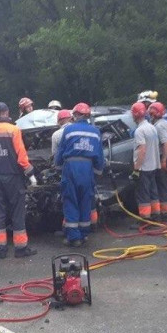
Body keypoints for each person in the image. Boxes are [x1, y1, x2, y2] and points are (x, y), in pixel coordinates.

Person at [0, 102, 37, 258]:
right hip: (13, 177)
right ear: (6, 112)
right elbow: (21, 155)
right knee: (17, 211)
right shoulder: (13, 130)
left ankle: (1, 249)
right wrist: (30, 172)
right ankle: (20, 248)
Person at [55, 103, 104, 247]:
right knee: (85, 201)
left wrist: (57, 166)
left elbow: (61, 151)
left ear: (76, 115)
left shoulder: (69, 130)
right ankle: (84, 234)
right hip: (87, 169)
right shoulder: (95, 132)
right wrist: (98, 172)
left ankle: (74, 237)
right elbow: (99, 156)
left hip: (71, 168)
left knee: (71, 201)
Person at [129, 102, 161, 222]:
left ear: (135, 114)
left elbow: (141, 150)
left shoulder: (139, 131)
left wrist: (136, 169)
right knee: (153, 192)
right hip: (153, 166)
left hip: (144, 168)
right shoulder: (152, 128)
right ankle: (156, 216)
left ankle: (145, 220)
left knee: (143, 195)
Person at [149, 101, 167, 221]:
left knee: (162, 186)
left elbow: (166, 143)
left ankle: (164, 215)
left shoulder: (159, 126)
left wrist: (164, 160)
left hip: (165, 157)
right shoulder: (165, 123)